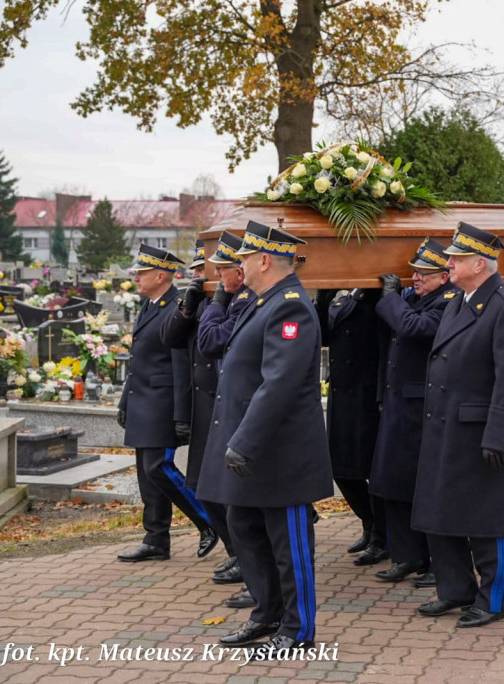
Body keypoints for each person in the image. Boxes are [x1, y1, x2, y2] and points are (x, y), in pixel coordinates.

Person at [201, 220, 332, 659]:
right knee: (244, 527)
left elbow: (278, 384)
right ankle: (266, 613)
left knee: (288, 543)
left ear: (263, 260)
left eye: (242, 257)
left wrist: (246, 441)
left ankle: (297, 628)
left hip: (279, 453)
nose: (236, 264)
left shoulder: (289, 306)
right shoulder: (260, 301)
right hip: (249, 447)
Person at [411, 222, 504, 628]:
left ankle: (491, 598)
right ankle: (454, 589)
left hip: (479, 431)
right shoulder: (458, 301)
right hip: (445, 427)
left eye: (456, 258)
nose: (448, 262)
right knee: (440, 513)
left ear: (479, 263)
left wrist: (500, 434)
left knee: (485, 520)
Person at [116, 245, 217, 563]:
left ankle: (211, 521)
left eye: (141, 273)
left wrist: (180, 415)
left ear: (161, 275)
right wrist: (124, 401)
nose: (136, 279)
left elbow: (180, 364)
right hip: (142, 402)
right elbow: (137, 361)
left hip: (162, 403)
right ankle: (156, 538)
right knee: (146, 475)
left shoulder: (176, 306)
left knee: (159, 467)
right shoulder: (148, 306)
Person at [371, 238, 457, 584]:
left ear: (443, 277)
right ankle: (407, 556)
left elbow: (413, 328)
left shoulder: (448, 303)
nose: (415, 278)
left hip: (424, 409)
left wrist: (390, 297)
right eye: (413, 272)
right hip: (399, 406)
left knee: (424, 488)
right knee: (394, 484)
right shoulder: (417, 299)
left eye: (424, 273)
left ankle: (437, 562)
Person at [159, 239, 238, 582]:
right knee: (205, 487)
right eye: (193, 270)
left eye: (200, 269)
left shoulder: (232, 299)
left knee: (224, 489)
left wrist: (217, 300)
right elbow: (171, 338)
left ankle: (242, 553)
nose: (195, 275)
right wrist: (186, 307)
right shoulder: (198, 299)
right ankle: (237, 551)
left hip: (222, 402)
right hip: (202, 405)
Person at [195, 231, 256, 606]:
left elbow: (210, 340)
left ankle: (255, 577)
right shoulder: (241, 299)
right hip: (229, 408)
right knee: (233, 505)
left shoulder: (244, 301)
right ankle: (251, 572)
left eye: (223, 272)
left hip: (243, 414)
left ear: (241, 269)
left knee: (243, 508)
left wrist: (216, 302)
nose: (218, 279)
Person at [316, 283, 387, 565]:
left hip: (367, 396)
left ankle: (382, 536)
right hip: (343, 395)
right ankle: (369, 523)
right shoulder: (348, 298)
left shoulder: (376, 295)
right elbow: (321, 336)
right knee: (341, 469)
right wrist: (322, 299)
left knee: (371, 469)